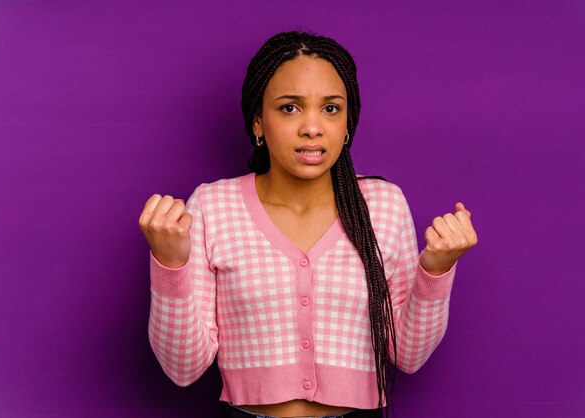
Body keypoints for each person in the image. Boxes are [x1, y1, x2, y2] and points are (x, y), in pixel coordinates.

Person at [138, 31, 477, 418]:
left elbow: (408, 355)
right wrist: (169, 264)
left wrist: (436, 269)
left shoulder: (383, 205)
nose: (312, 128)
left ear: (348, 123)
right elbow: (183, 368)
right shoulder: (214, 206)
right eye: (289, 108)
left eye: (331, 109)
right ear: (257, 123)